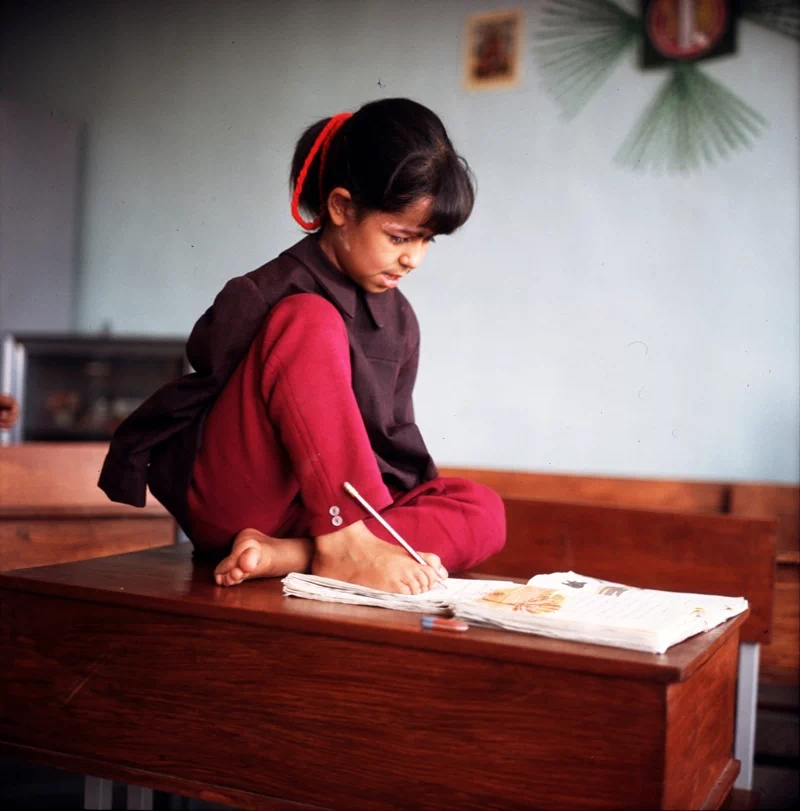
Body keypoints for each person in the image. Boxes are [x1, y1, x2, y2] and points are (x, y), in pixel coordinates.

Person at [99, 98, 505, 594]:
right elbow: (209, 393)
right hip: (249, 498)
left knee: (485, 509)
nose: (412, 259)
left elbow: (392, 440)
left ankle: (298, 555)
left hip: (324, 513)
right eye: (400, 236)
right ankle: (343, 544)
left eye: (426, 242)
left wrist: (408, 503)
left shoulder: (401, 320)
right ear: (340, 207)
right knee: (309, 320)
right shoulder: (266, 291)